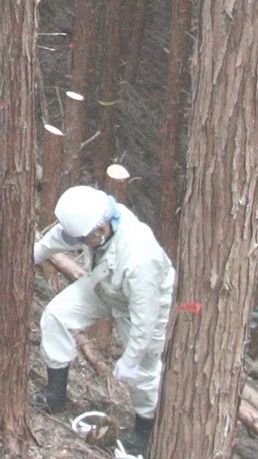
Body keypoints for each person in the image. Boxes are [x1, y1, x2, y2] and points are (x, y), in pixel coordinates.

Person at [31, 185, 175, 457]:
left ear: (99, 231)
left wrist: (130, 360)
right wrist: (33, 254)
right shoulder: (96, 220)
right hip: (105, 284)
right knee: (56, 315)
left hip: (143, 304)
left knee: (145, 372)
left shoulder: (140, 259)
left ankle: (145, 432)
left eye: (85, 238)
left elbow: (146, 319)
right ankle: (56, 394)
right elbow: (62, 237)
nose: (80, 242)